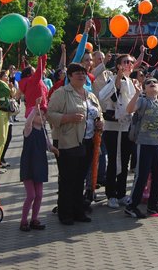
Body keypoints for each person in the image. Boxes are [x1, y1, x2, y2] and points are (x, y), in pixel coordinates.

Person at [47, 63, 101, 225]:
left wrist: (100, 122)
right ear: (69, 76)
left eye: (83, 73)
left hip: (88, 142)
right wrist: (68, 118)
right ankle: (65, 213)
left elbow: (98, 112)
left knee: (79, 179)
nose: (81, 76)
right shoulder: (61, 93)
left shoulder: (90, 95)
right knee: (67, 179)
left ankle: (79, 211)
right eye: (77, 73)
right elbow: (50, 114)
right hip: (67, 141)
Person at [125, 77, 158, 219]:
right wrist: (137, 93)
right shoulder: (142, 101)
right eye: (148, 83)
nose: (151, 84)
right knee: (141, 176)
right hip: (144, 144)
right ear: (144, 89)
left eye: (154, 82)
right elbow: (129, 109)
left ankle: (153, 205)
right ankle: (131, 206)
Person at [98, 54, 137, 209]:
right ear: (118, 65)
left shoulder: (131, 82)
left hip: (126, 127)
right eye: (125, 62)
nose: (128, 64)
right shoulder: (113, 79)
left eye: (130, 62)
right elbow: (112, 97)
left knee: (125, 161)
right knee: (114, 161)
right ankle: (111, 194)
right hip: (113, 128)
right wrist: (118, 78)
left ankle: (121, 193)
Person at [19, 98, 57, 231]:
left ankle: (34, 219)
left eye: (42, 114)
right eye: (37, 114)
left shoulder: (43, 131)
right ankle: (23, 221)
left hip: (40, 164)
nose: (41, 116)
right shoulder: (28, 129)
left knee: (39, 195)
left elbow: (48, 145)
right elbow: (28, 123)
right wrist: (35, 108)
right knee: (31, 195)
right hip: (29, 165)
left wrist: (54, 149)